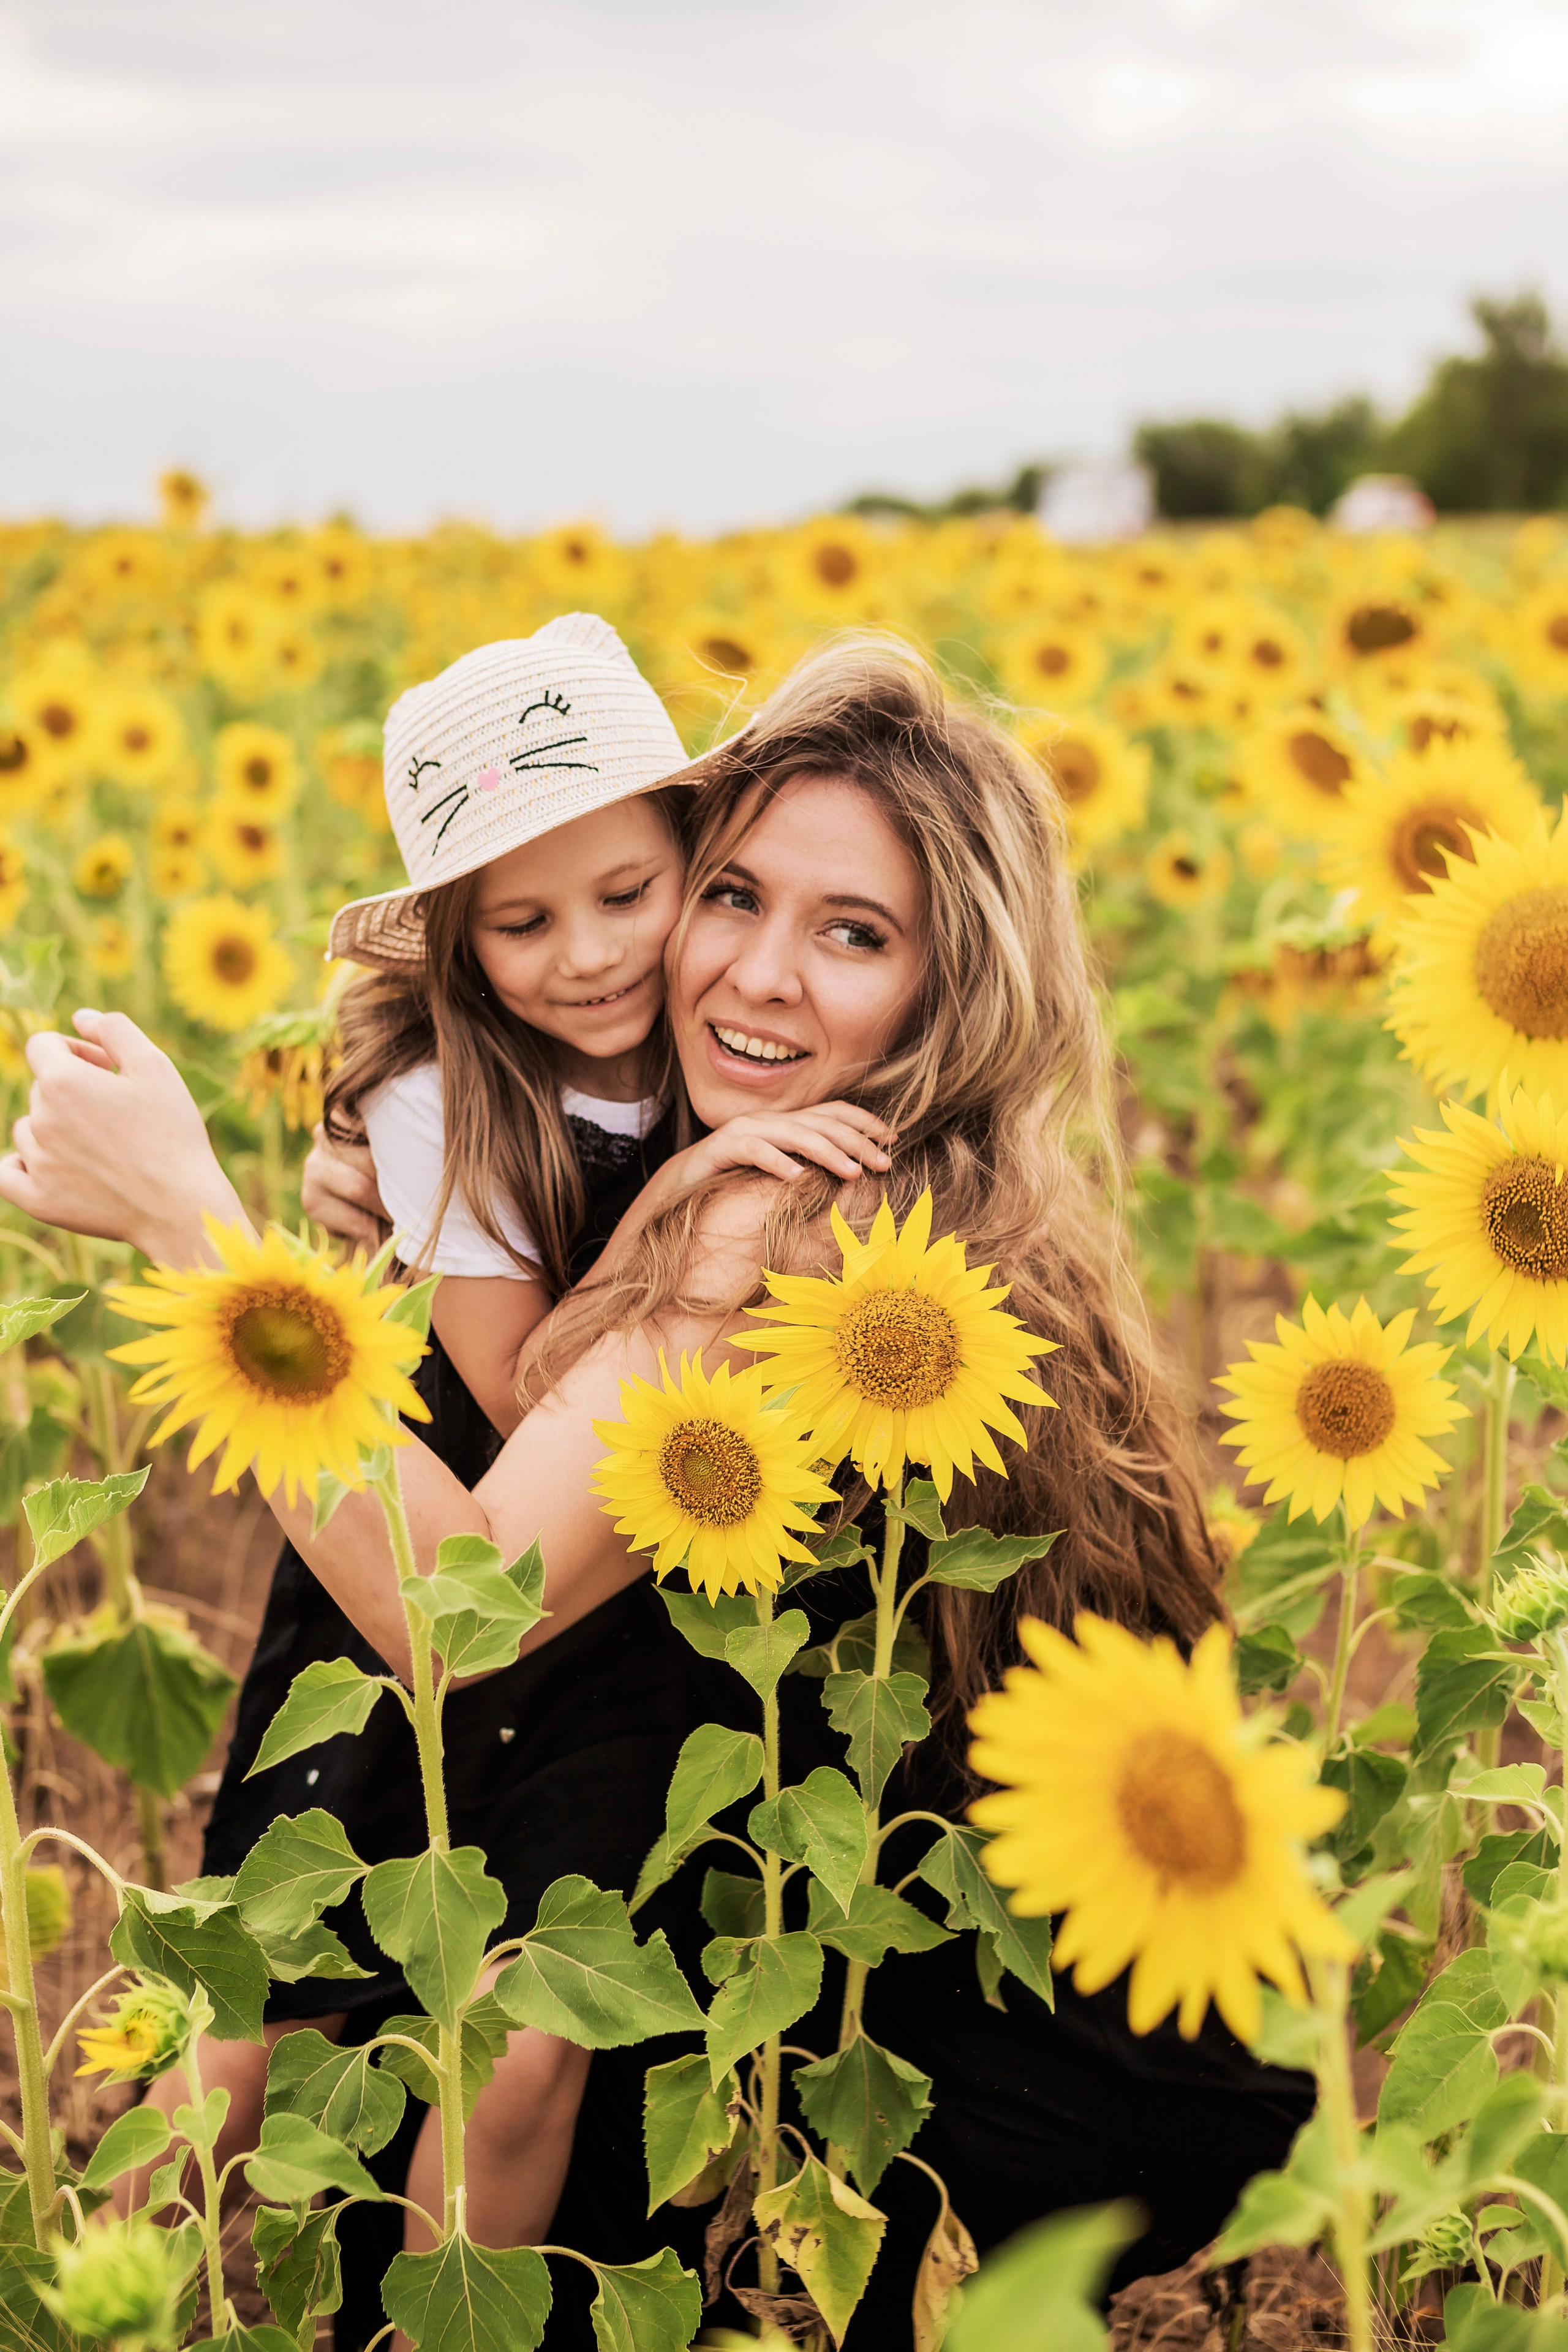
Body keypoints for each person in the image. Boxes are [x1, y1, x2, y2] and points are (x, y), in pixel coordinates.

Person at [2, 636, 1312, 2344]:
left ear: (951, 985)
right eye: (738, 896)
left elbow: (459, 1607)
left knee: (441, 2048)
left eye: (854, 935)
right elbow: (542, 1364)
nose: (755, 977)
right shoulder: (916, 1180)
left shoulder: (803, 1220)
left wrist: (196, 1226)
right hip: (939, 1983)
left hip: (942, 2053)